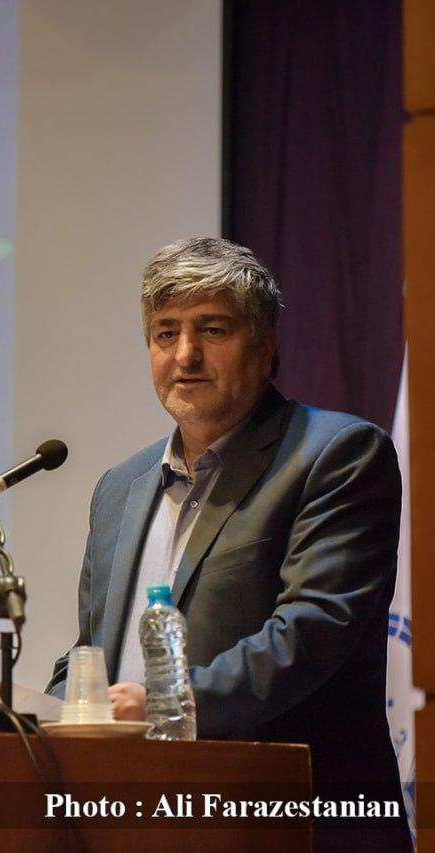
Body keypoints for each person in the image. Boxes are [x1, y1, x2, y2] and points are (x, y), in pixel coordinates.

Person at [46, 237, 408, 849]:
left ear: (265, 345)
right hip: (135, 822)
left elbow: (312, 631)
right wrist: (44, 717)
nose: (185, 354)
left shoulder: (336, 454)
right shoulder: (119, 488)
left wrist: (165, 705)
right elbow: (94, 648)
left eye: (212, 330)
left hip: (293, 821)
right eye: (165, 333)